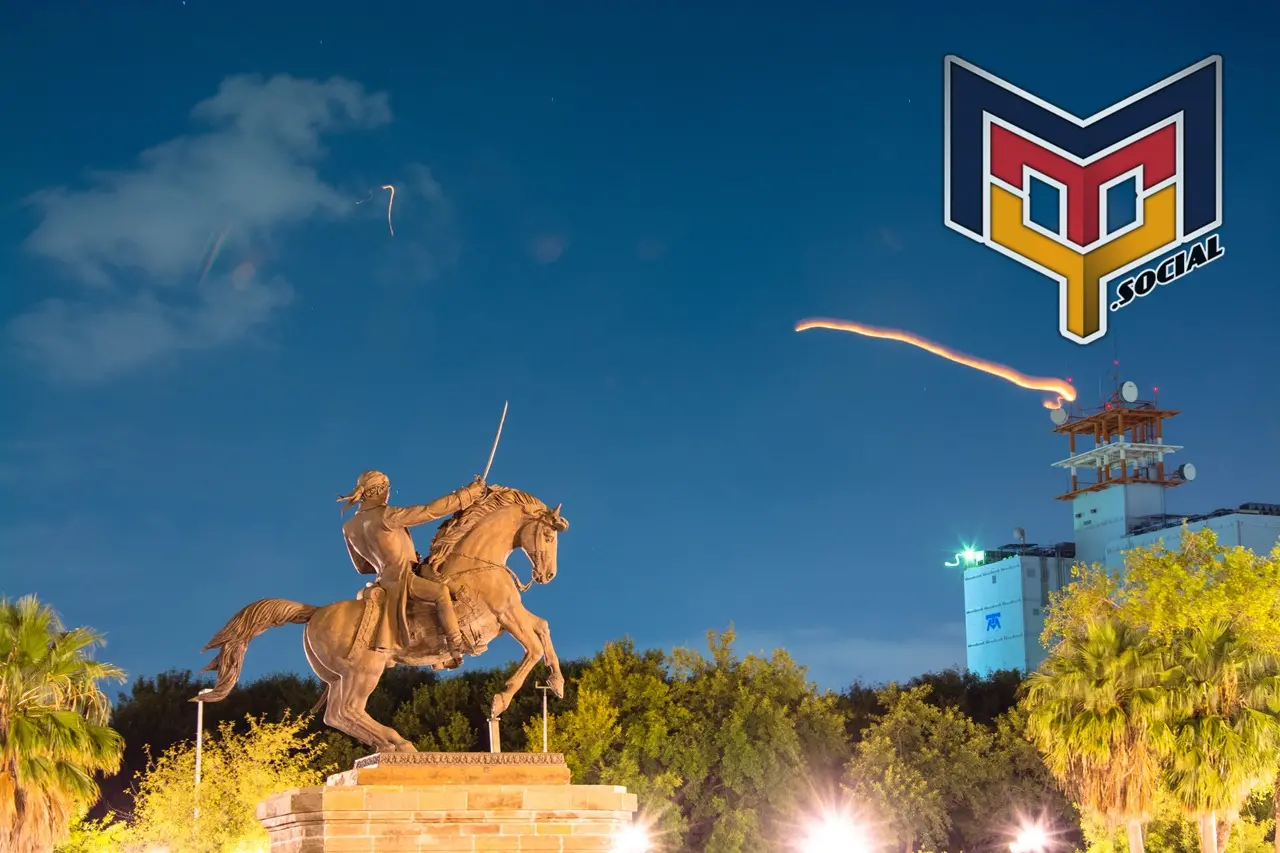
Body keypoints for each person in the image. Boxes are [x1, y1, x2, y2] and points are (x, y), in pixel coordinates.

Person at [338, 470, 487, 668]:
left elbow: (362, 567)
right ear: (381, 490)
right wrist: (467, 495)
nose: (388, 494)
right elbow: (428, 511)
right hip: (403, 580)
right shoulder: (387, 515)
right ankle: (454, 648)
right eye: (387, 490)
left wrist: (396, 558)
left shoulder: (349, 526)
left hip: (382, 582)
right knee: (441, 592)